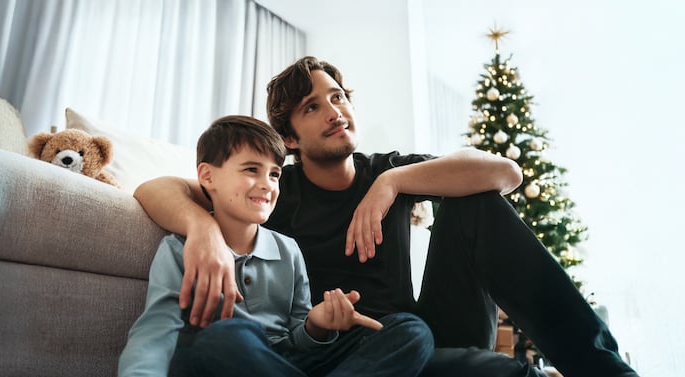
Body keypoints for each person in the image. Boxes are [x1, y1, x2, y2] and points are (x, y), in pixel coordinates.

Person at [134, 57, 639, 377]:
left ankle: (604, 369)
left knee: (476, 201)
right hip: (342, 351)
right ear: (289, 138)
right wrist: (201, 226)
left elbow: (505, 172)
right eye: (313, 107)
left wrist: (392, 183)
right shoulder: (277, 188)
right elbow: (155, 187)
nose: (334, 111)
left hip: (415, 333)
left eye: (338, 97)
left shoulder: (388, 170)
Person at [119, 115, 434, 377]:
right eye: (251, 170)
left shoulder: (288, 251)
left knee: (411, 331)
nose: (268, 184)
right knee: (225, 337)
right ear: (207, 176)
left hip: (286, 364)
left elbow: (296, 341)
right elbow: (156, 332)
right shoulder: (179, 250)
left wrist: (316, 325)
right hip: (227, 358)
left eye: (274, 174)